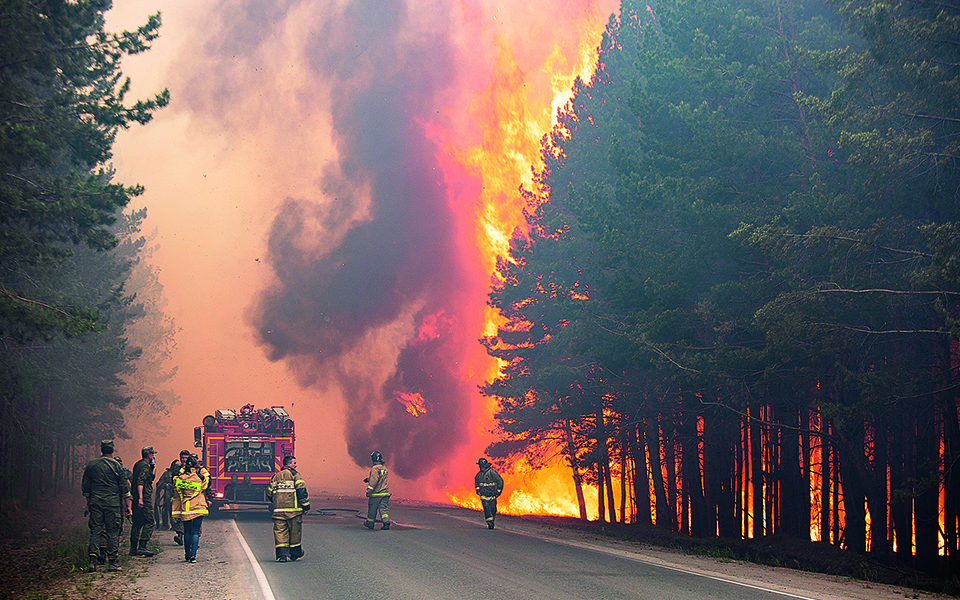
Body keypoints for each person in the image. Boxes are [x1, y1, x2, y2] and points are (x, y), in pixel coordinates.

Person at [82, 439, 132, 572]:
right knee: (112, 532)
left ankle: (92, 560)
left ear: (101, 450)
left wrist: (89, 503)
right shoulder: (117, 466)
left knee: (96, 531)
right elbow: (124, 488)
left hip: (96, 502)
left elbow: (86, 487)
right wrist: (128, 506)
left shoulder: (92, 465)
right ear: (112, 450)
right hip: (113, 504)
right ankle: (112, 563)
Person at [266, 455, 310, 562]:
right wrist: (305, 506)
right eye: (294, 463)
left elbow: (269, 493)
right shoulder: (296, 475)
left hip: (278, 512)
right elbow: (302, 492)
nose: (296, 465)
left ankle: (282, 555)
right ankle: (294, 554)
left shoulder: (275, 477)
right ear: (289, 464)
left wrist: (277, 502)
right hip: (293, 512)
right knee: (295, 532)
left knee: (280, 532)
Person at [172, 454, 209, 563]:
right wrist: (200, 468)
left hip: (186, 508)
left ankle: (187, 555)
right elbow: (207, 480)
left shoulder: (181, 479)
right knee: (195, 532)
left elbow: (174, 479)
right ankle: (193, 556)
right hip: (199, 508)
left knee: (187, 531)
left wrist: (184, 468)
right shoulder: (199, 478)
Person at [130, 446, 158, 556]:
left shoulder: (138, 464)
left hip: (136, 497)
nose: (153, 456)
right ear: (149, 455)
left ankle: (133, 548)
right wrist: (141, 498)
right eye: (152, 454)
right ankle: (142, 546)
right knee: (150, 521)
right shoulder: (144, 466)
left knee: (137, 522)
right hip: (143, 498)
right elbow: (140, 482)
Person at [363, 451, 390, 530]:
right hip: (385, 493)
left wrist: (369, 491)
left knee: (372, 509)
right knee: (383, 508)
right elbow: (380, 478)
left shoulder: (375, 468)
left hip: (376, 494)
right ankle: (386, 522)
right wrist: (368, 479)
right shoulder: (384, 468)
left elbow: (374, 481)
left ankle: (370, 523)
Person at [475, 458, 504, 529]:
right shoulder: (479, 475)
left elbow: (500, 481)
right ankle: (490, 523)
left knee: (493, 509)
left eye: (481, 465)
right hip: (484, 496)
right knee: (487, 509)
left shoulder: (492, 473)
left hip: (492, 495)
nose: (480, 467)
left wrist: (498, 492)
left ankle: (492, 520)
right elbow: (477, 483)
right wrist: (478, 490)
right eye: (479, 466)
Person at [172, 450, 190, 545]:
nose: (184, 459)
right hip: (179, 496)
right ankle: (180, 536)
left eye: (186, 458)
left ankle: (191, 539)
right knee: (179, 517)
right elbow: (174, 481)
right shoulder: (176, 469)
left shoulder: (192, 469)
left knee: (189, 518)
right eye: (182, 458)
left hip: (189, 497)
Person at [154, 460, 177, 531]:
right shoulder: (167, 474)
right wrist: (165, 485)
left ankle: (177, 526)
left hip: (179, 496)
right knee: (166, 510)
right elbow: (159, 483)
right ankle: (166, 524)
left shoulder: (184, 473)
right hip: (168, 496)